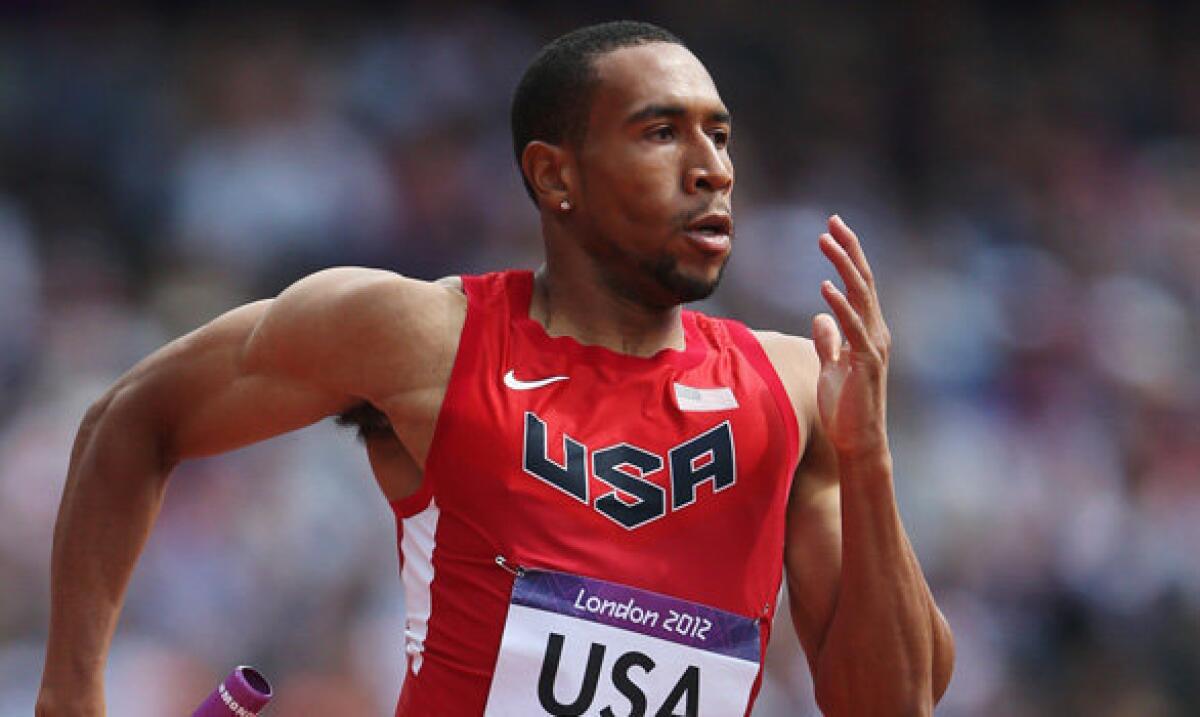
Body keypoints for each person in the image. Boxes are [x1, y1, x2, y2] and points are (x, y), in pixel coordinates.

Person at [36, 20, 954, 717]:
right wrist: (71, 694)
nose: (712, 169)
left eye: (720, 135)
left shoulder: (791, 388)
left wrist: (868, 458)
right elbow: (131, 417)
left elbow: (891, 703)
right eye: (661, 133)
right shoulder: (418, 337)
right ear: (555, 175)